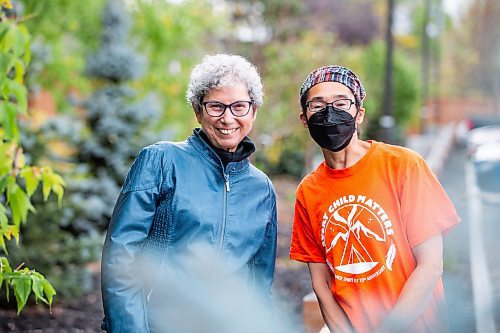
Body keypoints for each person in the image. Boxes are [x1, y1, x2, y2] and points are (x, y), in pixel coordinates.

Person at [101, 54, 277, 332]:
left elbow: (259, 284)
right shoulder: (160, 161)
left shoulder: (262, 189)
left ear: (253, 111)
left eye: (239, 107)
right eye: (216, 106)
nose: (227, 118)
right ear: (198, 110)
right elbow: (121, 259)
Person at [289, 65, 460, 333]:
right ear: (304, 119)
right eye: (317, 104)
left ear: (359, 114)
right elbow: (321, 285)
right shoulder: (308, 191)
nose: (329, 112)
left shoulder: (403, 166)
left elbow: (430, 265)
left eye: (341, 103)